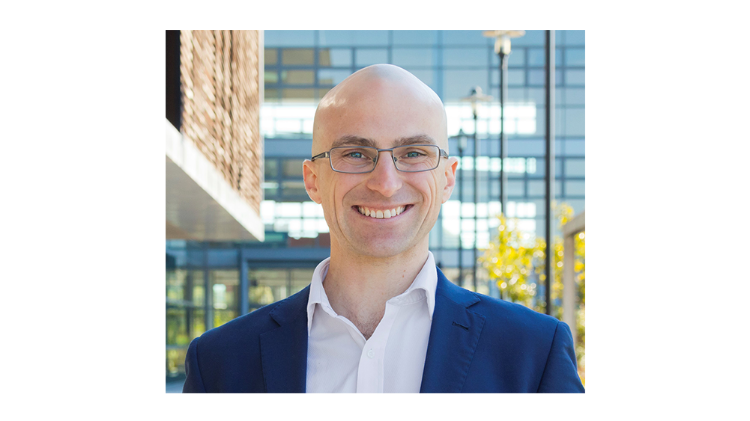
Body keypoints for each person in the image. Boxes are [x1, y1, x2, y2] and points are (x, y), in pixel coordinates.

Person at [183, 64, 584, 393]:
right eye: (356, 153)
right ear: (312, 180)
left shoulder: (533, 355)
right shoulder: (219, 364)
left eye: (414, 153)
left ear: (447, 179)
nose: (386, 182)